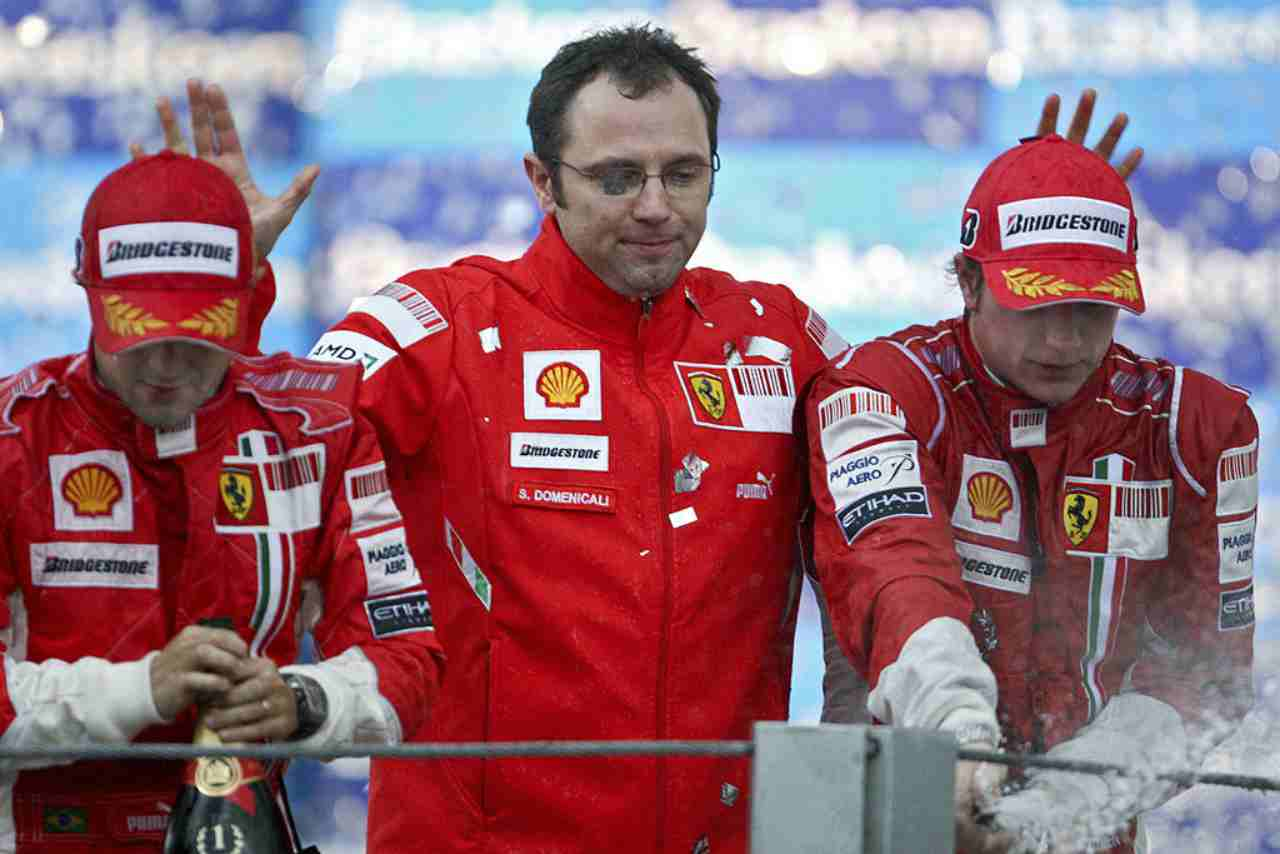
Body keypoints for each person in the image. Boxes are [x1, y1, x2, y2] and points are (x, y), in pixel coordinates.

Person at [155, 29, 1142, 854]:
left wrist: (1031, 256)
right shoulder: (435, 323)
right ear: (541, 177)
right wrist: (213, 303)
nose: (656, 207)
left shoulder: (780, 337)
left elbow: (904, 500)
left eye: (682, 171)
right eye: (617, 176)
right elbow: (255, 461)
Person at [804, 133, 1257, 853]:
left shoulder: (1202, 429)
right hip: (901, 813)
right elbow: (896, 574)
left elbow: (1204, 673)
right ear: (969, 283)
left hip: (1091, 832)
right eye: (1035, 305)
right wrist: (957, 736)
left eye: (1091, 308)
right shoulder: (882, 391)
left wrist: (1056, 813)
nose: (1064, 340)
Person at [0, 151, 443, 853]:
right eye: (139, 333)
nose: (167, 365)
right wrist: (144, 689)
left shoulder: (320, 428)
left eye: (196, 332)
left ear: (246, 300)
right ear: (86, 288)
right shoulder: (12, 437)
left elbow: (406, 655)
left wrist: (299, 702)